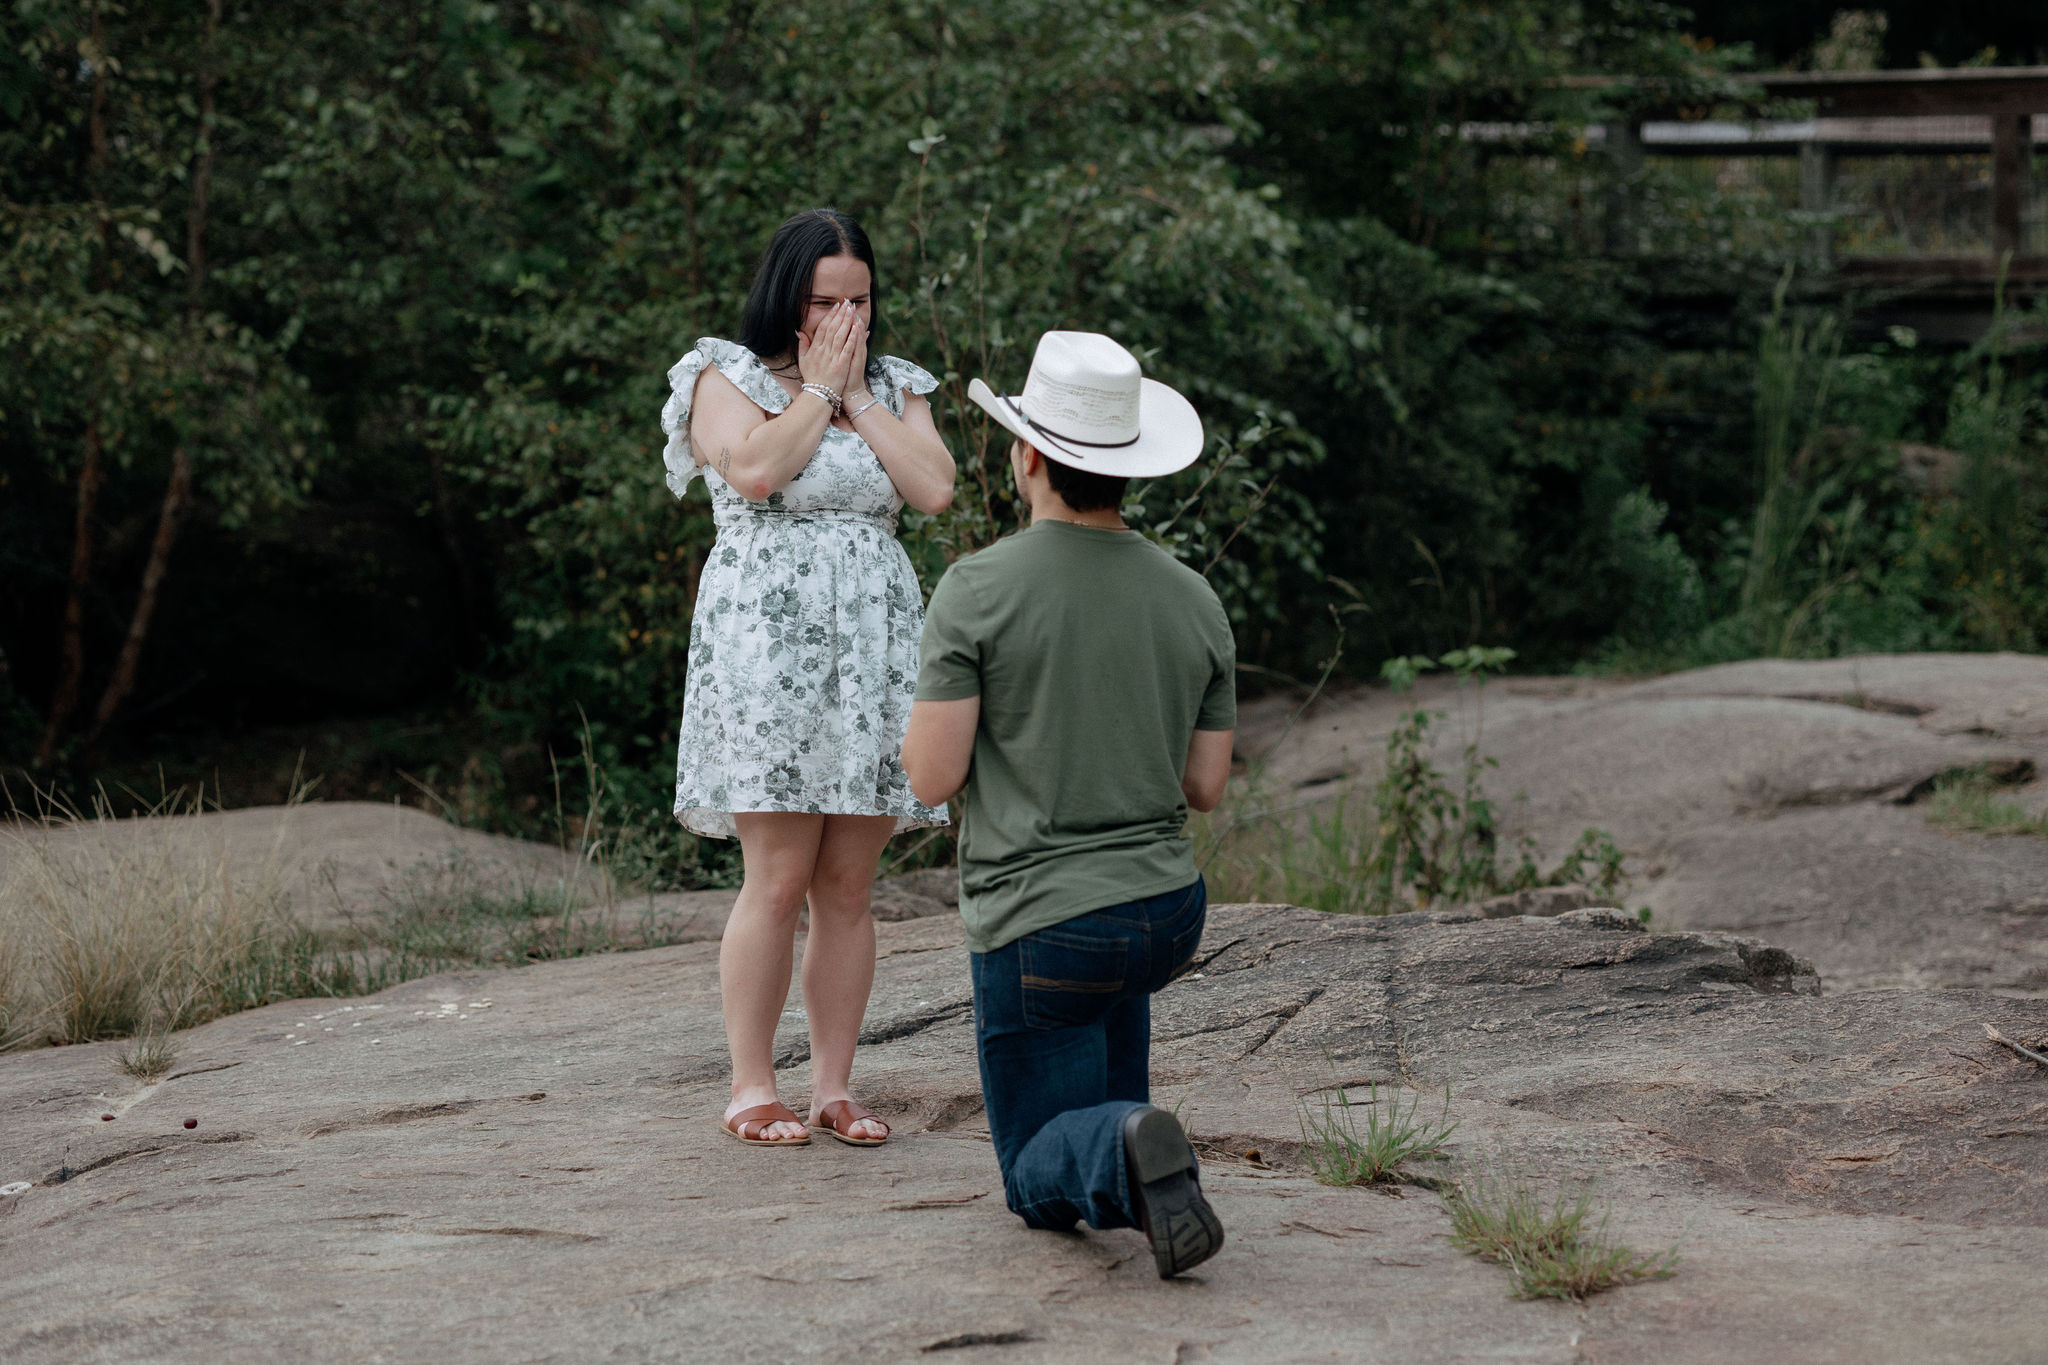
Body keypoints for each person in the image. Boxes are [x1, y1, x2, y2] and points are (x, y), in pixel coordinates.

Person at [900, 331, 1235, 1277]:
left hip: (1044, 928)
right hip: (1166, 915)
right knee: (1110, 1094)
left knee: (1031, 1174)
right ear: (1125, 470)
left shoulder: (978, 589)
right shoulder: (1194, 598)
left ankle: (1122, 1144)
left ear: (1029, 454)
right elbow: (1204, 785)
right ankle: (1135, 1151)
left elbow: (929, 777)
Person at [661, 208, 955, 1148]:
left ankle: (834, 1083)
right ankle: (752, 1085)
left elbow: (936, 488)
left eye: (858, 300)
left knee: (849, 884)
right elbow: (754, 469)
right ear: (786, 297)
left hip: (874, 651)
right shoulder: (723, 373)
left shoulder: (899, 385)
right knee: (778, 875)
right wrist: (819, 393)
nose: (842, 316)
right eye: (824, 300)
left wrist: (860, 394)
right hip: (770, 654)